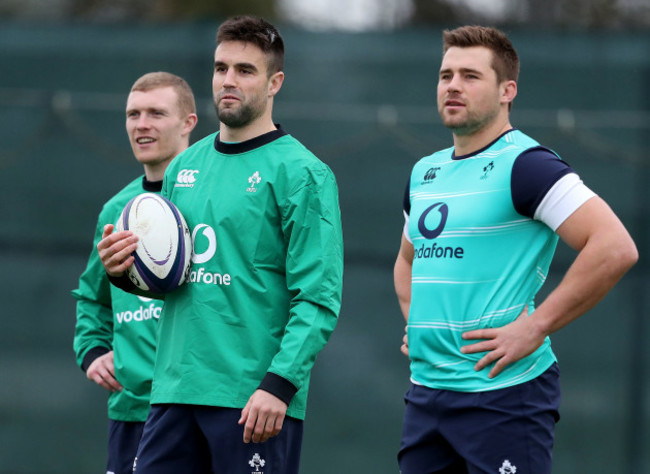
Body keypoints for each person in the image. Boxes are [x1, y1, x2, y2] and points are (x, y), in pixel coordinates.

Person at [96, 16, 343, 474]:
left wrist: (280, 385)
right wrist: (124, 273)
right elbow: (171, 282)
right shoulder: (183, 167)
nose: (228, 80)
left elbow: (319, 298)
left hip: (253, 401)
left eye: (245, 70)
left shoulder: (302, 172)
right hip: (171, 393)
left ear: (275, 82)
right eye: (220, 67)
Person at [393, 25, 638, 474]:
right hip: (426, 396)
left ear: (508, 91)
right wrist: (418, 322)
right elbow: (407, 260)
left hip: (503, 398)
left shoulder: (528, 165)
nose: (452, 85)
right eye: (446, 75)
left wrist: (536, 326)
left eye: (470, 76)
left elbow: (614, 247)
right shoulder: (424, 172)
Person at [72, 71, 198, 474]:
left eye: (156, 113)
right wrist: (91, 350)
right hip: (131, 409)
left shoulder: (212, 200)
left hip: (201, 403)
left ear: (188, 123)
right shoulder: (116, 210)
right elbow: (92, 295)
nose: (141, 124)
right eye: (133, 114)